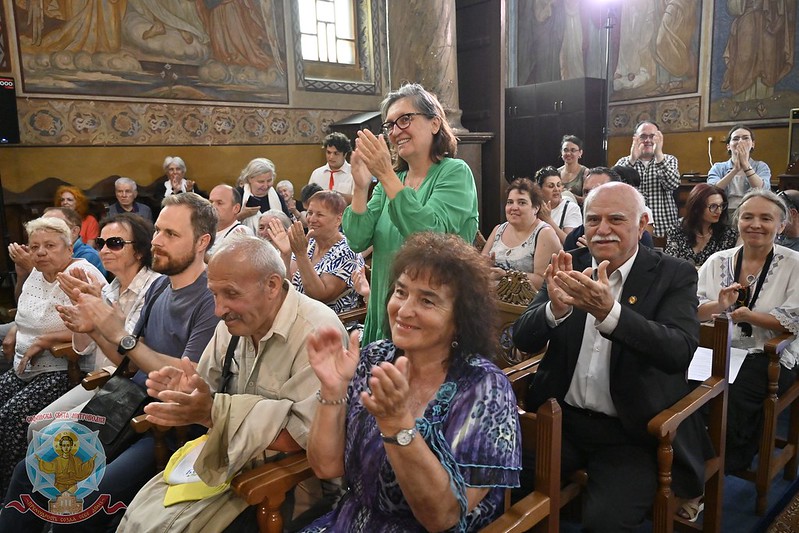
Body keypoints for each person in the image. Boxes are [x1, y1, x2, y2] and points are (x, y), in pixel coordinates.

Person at [0, 193, 220, 532]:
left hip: (167, 424)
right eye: (158, 231)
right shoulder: (161, 287)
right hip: (125, 404)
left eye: (171, 234)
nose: (157, 241)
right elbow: (126, 362)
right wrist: (95, 327)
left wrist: (118, 333)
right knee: (30, 471)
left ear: (202, 242)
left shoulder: (210, 298)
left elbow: (184, 377)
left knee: (83, 502)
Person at [513, 182, 709, 532]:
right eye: (593, 220)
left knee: (604, 524)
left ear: (642, 223)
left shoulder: (673, 273)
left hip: (631, 431)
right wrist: (554, 310)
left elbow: (678, 350)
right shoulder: (571, 264)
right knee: (500, 484)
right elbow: (522, 337)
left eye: (616, 219)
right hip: (561, 419)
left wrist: (610, 314)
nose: (602, 229)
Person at [117, 235, 347, 532]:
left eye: (231, 293)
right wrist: (186, 393)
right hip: (225, 461)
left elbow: (303, 438)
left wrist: (210, 414)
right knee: (138, 516)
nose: (219, 309)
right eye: (214, 294)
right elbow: (207, 389)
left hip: (282, 482)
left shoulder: (316, 332)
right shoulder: (232, 324)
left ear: (272, 285)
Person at [301, 232, 521, 531]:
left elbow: (442, 517)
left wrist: (397, 423)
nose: (403, 310)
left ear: (461, 319)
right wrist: (333, 389)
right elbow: (326, 467)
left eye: (427, 301)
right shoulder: (375, 357)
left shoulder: (484, 387)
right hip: (351, 522)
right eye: (401, 292)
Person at [342, 83, 479, 344]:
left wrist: (385, 174)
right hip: (385, 312)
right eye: (390, 125)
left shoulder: (455, 172)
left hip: (430, 318)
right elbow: (357, 240)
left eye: (405, 119)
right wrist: (360, 187)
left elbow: (429, 236)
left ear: (434, 123)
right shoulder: (392, 182)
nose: (395, 132)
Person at [26, 213, 161, 439]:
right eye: (101, 243)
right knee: (35, 427)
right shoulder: (109, 288)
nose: (105, 250)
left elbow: (127, 359)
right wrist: (82, 309)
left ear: (139, 251)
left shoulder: (154, 289)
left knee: (50, 435)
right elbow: (83, 348)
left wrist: (96, 317)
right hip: (102, 379)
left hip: (129, 386)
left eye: (115, 243)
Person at [0, 217, 106, 493]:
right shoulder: (37, 273)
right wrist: (16, 329)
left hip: (63, 367)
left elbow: (98, 326)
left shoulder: (81, 274)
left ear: (69, 249)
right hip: (25, 366)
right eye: (34, 246)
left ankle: (14, 491)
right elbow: (25, 312)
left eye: (49, 246)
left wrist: (46, 340)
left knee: (12, 416)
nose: (40, 252)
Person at [697, 189, 799, 475]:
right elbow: (693, 310)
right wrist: (719, 305)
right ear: (737, 221)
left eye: (766, 218)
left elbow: (794, 320)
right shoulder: (717, 261)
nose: (755, 224)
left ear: (781, 225)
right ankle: (692, 457)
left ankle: (720, 467)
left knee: (732, 398)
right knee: (679, 388)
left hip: (769, 354)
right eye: (747, 217)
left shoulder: (794, 265)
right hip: (718, 349)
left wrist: (749, 316)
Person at [268, 191, 364, 314]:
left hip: (331, 321)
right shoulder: (311, 242)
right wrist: (286, 254)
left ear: (338, 219)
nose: (311, 219)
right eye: (309, 213)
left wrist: (300, 254)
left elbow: (319, 296)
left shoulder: (347, 251)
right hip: (300, 313)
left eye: (319, 215)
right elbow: (290, 284)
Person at [482, 178, 561, 291]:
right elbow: (480, 267)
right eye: (510, 202)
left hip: (530, 301)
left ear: (536, 208)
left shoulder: (545, 233)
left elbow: (543, 282)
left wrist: (507, 276)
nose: (514, 207)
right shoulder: (498, 230)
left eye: (522, 203)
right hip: (491, 296)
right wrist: (484, 266)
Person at [563, 167, 656, 251]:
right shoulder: (574, 238)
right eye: (586, 192)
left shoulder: (637, 234)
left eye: (599, 191)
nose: (591, 197)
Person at [615, 121, 681, 237]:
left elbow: (673, 184)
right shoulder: (624, 162)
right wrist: (632, 160)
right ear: (635, 139)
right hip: (633, 229)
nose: (647, 140)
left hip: (665, 228)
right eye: (643, 136)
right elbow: (615, 189)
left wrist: (659, 154)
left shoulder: (669, 160)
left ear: (659, 138)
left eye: (652, 136)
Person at [665, 183, 739, 267]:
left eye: (721, 206)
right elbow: (670, 262)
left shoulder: (728, 234)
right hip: (681, 275)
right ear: (697, 207)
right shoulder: (677, 229)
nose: (719, 211)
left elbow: (726, 267)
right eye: (713, 206)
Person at [707, 125, 771, 211]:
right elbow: (712, 191)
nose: (740, 141)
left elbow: (763, 190)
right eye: (736, 139)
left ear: (752, 144)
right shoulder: (718, 167)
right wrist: (734, 170)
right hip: (723, 212)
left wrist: (746, 165)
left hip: (752, 211)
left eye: (745, 138)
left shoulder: (761, 166)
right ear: (728, 146)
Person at [236, 158, 291, 233]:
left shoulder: (277, 197)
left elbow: (288, 224)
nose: (265, 186)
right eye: (261, 182)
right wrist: (242, 216)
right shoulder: (237, 195)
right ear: (249, 179)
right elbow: (223, 224)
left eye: (269, 180)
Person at [534, 166, 582, 245]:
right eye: (551, 186)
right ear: (539, 189)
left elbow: (571, 244)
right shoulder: (533, 208)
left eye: (559, 185)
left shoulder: (571, 208)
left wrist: (548, 220)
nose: (556, 189)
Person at [308, 132, 354, 204]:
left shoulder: (354, 173)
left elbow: (357, 199)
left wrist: (333, 195)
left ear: (345, 154)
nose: (331, 157)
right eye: (328, 152)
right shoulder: (316, 173)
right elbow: (309, 198)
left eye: (336, 153)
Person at [207, 184, 253, 256]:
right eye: (211, 202)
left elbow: (228, 263)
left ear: (236, 208)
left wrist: (200, 252)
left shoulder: (242, 232)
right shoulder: (204, 230)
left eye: (219, 203)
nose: (213, 206)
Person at [558, 135, 588, 205]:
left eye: (573, 150)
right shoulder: (556, 173)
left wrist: (569, 194)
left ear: (580, 153)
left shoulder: (585, 173)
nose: (568, 153)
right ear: (561, 152)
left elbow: (589, 200)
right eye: (565, 150)